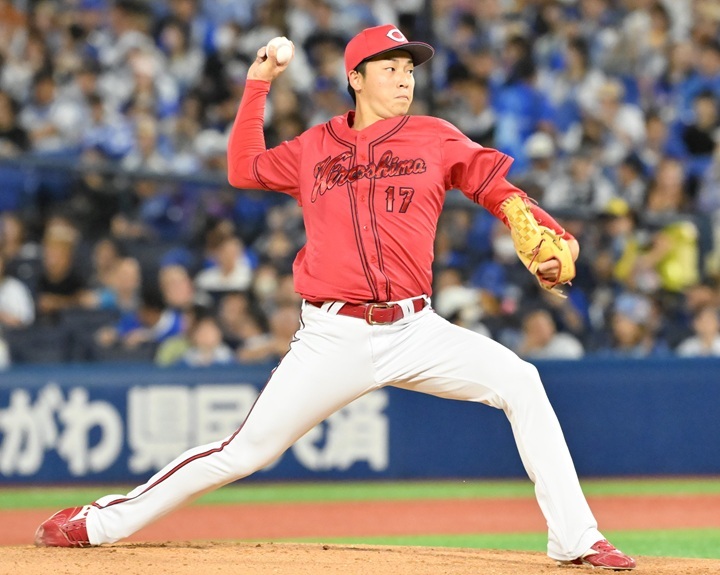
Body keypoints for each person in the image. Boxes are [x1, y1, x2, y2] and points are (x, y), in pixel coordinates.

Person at [34, 24, 636, 570]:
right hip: (333, 335)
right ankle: (101, 523)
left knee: (522, 381)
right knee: (243, 453)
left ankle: (575, 537)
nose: (404, 79)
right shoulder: (315, 145)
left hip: (416, 329)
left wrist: (540, 228)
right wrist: (257, 85)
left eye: (409, 69)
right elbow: (244, 168)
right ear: (356, 78)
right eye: (390, 68)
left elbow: (496, 188)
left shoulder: (434, 136)